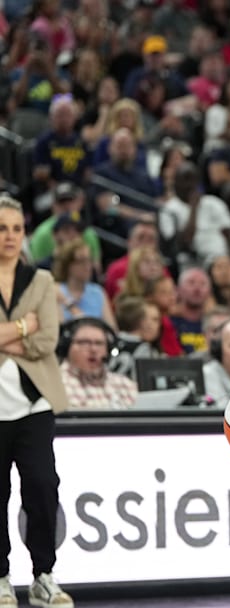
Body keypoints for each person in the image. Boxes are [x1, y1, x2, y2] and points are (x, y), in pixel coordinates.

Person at [0, 195, 75, 608]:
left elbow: (48, 339)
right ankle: (0, 577)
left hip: (34, 404)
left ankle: (43, 574)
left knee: (43, 488)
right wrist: (21, 327)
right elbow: (34, 335)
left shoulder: (42, 281)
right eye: (2, 228)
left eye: (16, 228)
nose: (9, 237)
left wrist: (11, 334)